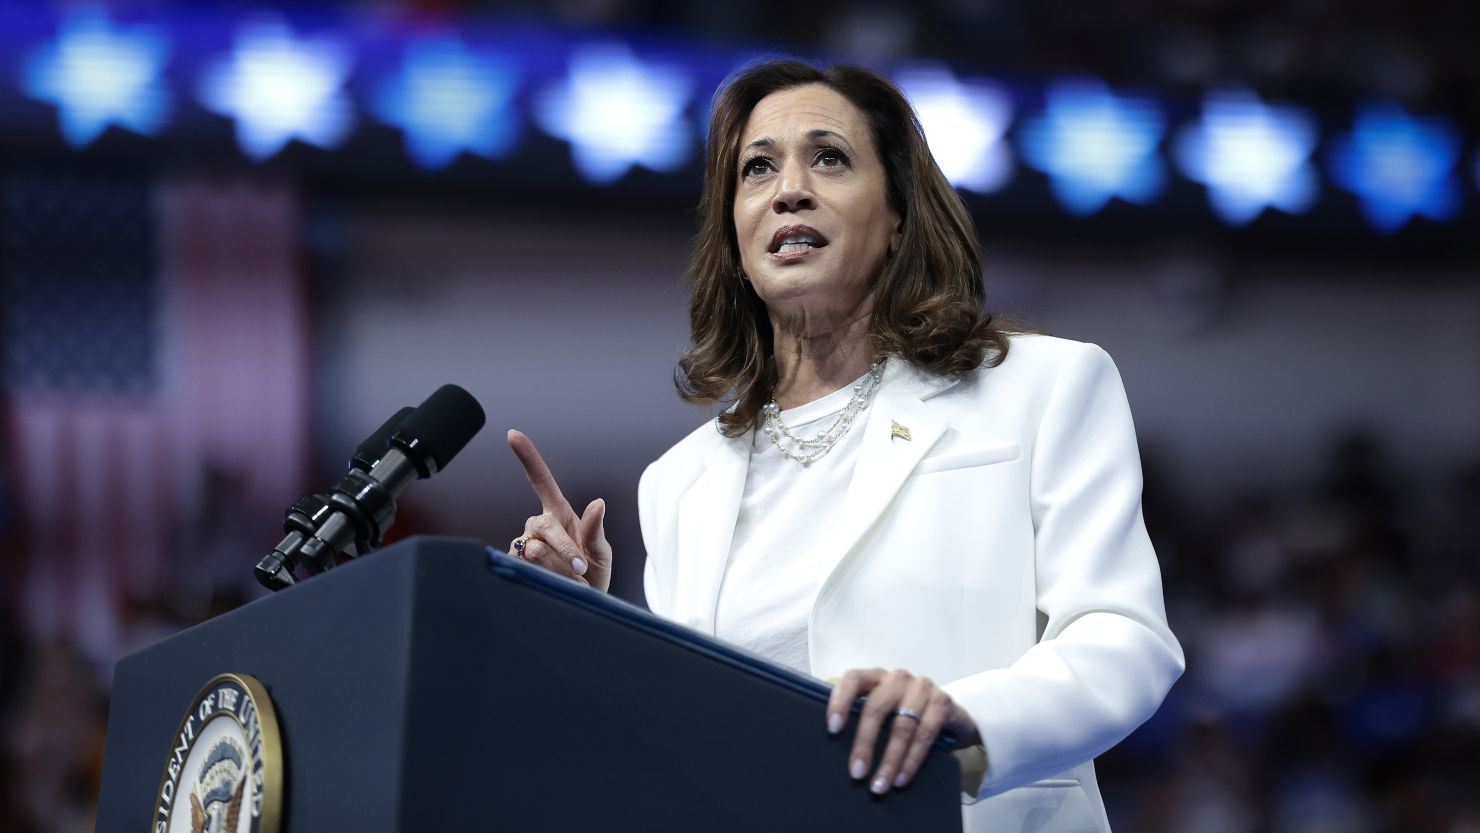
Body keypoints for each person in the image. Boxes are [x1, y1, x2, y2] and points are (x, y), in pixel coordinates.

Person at [505, 60, 1183, 833]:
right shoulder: (679, 482)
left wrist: (963, 718)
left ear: (897, 215)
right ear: (735, 229)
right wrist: (588, 626)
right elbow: (687, 736)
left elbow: (1125, 641)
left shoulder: (1045, 387)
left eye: (829, 157)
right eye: (757, 168)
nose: (789, 188)